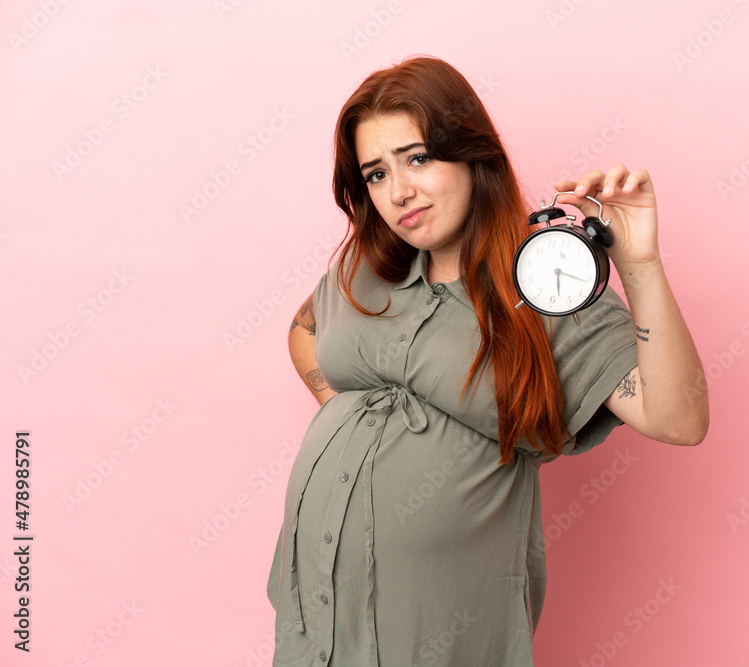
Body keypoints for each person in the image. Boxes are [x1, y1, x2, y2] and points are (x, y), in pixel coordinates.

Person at [266, 54, 709, 666]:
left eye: (418, 158)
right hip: (318, 622)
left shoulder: (546, 285)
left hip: (441, 635)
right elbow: (305, 329)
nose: (398, 192)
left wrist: (639, 264)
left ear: (472, 153)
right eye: (375, 174)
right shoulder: (364, 266)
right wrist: (346, 409)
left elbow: (678, 419)